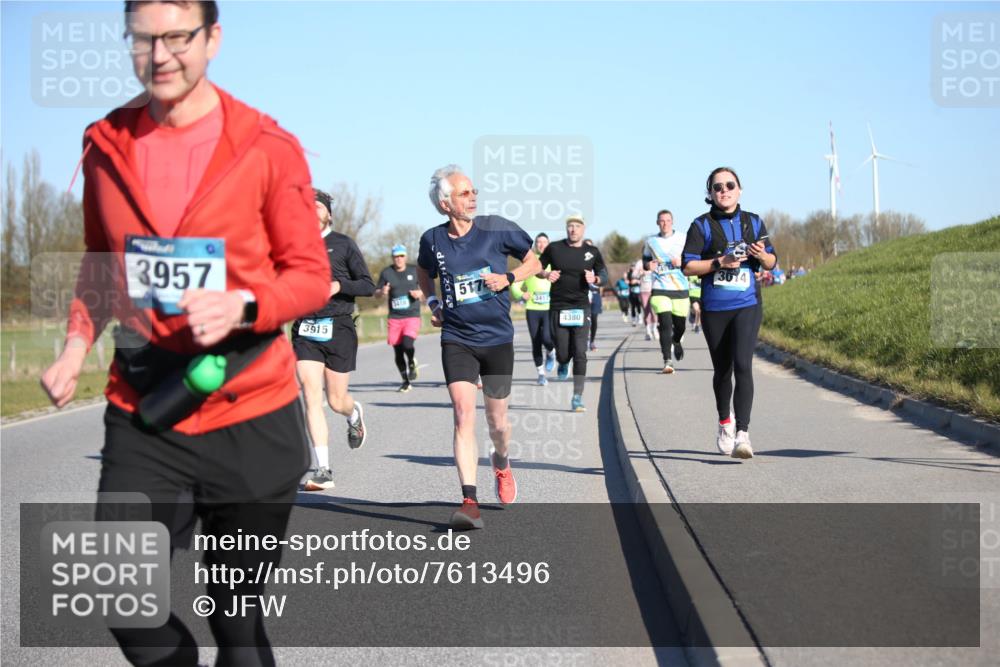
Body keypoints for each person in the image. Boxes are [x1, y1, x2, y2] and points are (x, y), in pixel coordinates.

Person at [40, 2, 331, 664]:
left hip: (250, 408)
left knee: (234, 615)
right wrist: (76, 344)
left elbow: (310, 276)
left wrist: (244, 307)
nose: (160, 55)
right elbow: (99, 263)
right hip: (147, 408)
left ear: (212, 40)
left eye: (177, 37)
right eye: (143, 40)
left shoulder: (265, 147)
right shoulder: (105, 144)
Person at [417, 165, 541, 529]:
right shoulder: (432, 240)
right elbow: (424, 272)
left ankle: (501, 463)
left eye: (473, 191)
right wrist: (432, 303)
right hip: (457, 338)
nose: (473, 197)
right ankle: (469, 500)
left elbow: (534, 261)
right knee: (462, 413)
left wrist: (509, 277)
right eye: (463, 193)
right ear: (444, 204)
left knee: (498, 422)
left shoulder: (497, 228)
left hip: (497, 339)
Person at [682, 166, 777, 460]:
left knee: (743, 365)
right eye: (718, 187)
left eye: (730, 185)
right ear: (710, 193)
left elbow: (772, 262)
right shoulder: (701, 226)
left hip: (747, 304)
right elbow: (687, 266)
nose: (724, 190)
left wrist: (761, 256)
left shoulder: (753, 222)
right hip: (715, 308)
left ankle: (743, 435)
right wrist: (719, 262)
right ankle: (725, 421)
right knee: (723, 370)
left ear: (740, 189)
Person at [295, 189, 375, 491]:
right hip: (305, 328)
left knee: (335, 400)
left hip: (339, 326)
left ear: (328, 213)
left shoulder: (343, 244)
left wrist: (338, 285)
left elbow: (367, 285)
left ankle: (353, 412)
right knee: (310, 395)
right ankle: (323, 469)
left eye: (317, 206)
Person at [539, 216, 608, 412]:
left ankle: (577, 396)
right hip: (558, 306)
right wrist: (546, 274)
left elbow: (604, 275)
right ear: (566, 228)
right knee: (562, 351)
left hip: (581, 306)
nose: (573, 230)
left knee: (580, 352)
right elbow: (538, 268)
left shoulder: (591, 252)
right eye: (570, 226)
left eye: (577, 226)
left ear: (583, 229)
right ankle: (562, 361)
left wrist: (594, 277)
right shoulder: (554, 248)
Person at [643, 210, 689, 374]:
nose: (665, 223)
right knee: (665, 323)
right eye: (662, 221)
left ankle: (676, 341)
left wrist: (682, 261)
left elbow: (694, 258)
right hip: (660, 287)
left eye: (668, 220)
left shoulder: (683, 238)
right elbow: (645, 261)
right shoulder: (651, 241)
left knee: (680, 326)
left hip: (680, 288)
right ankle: (667, 361)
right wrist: (648, 266)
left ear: (672, 221)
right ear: (657, 223)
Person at [509, 232, 556, 385]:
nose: (542, 244)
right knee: (535, 340)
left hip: (549, 307)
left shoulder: (555, 262)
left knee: (547, 338)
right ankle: (541, 373)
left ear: (549, 244)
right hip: (532, 308)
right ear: (535, 244)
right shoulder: (530, 263)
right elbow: (515, 283)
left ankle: (551, 351)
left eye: (545, 242)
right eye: (539, 242)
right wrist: (521, 294)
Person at [376, 244, 423, 392]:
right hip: (395, 317)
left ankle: (411, 362)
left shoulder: (414, 270)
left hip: (412, 315)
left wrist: (419, 293)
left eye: (401, 256)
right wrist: (382, 291)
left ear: (406, 257)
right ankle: (405, 381)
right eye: (396, 256)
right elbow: (376, 293)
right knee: (397, 351)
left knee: (407, 345)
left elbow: (425, 288)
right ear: (392, 258)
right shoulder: (386, 273)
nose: (399, 259)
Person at [585, 238, 603, 352]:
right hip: (583, 294)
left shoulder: (597, 261)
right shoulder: (577, 262)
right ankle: (584, 340)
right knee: (585, 319)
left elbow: (603, 278)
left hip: (595, 294)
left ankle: (592, 341)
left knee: (594, 319)